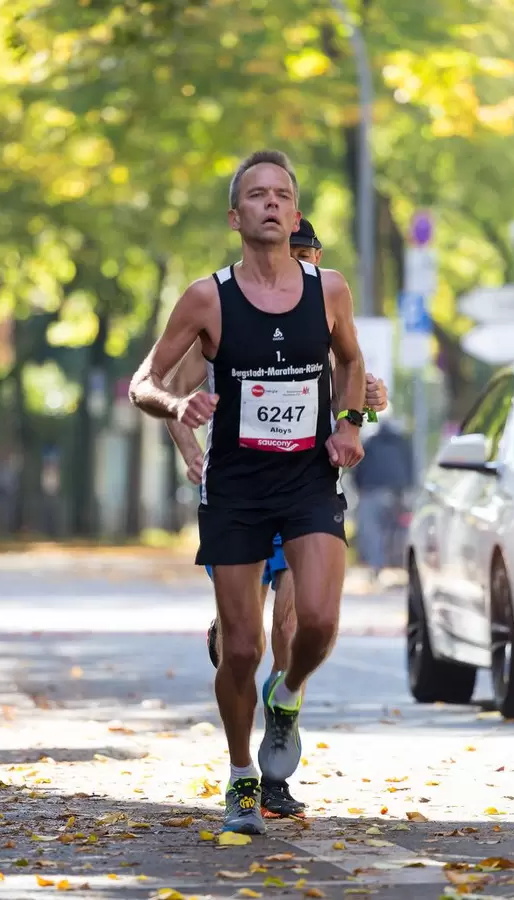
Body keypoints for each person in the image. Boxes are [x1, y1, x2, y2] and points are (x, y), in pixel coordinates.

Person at [130, 149, 367, 835]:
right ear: (236, 217)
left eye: (282, 195)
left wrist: (350, 423)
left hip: (308, 480)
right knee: (239, 648)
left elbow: (352, 360)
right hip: (235, 486)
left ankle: (286, 698)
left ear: (295, 215)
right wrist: (177, 409)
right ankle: (240, 774)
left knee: (316, 622)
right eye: (257, 194)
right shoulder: (208, 298)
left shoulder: (329, 290)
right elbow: (145, 381)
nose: (271, 203)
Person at [164, 218, 388, 819]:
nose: (304, 264)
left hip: (304, 492)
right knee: (244, 644)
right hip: (238, 491)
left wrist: (365, 404)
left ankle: (277, 757)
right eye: (297, 254)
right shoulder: (230, 314)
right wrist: (190, 449)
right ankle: (241, 756)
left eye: (311, 255)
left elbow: (354, 383)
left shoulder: (325, 310)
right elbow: (174, 390)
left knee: (295, 624)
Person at [353, 407, 414, 577]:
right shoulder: (402, 441)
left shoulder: (369, 441)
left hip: (371, 492)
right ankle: (400, 566)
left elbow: (358, 469)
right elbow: (411, 467)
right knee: (397, 528)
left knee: (371, 530)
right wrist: (408, 489)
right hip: (397, 493)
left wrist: (359, 488)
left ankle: (377, 567)